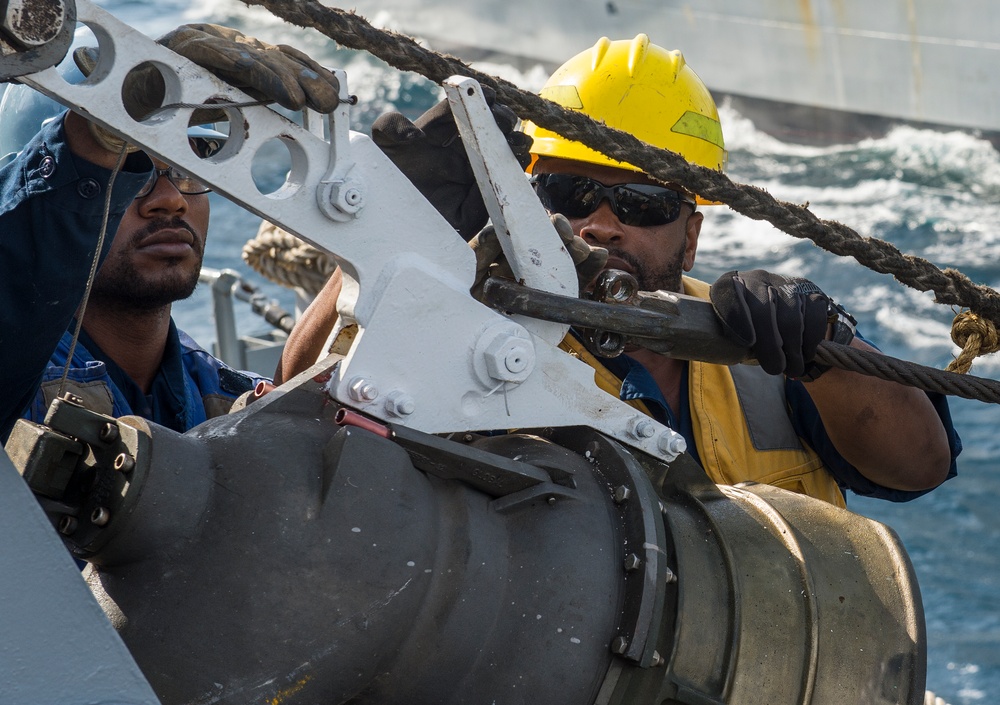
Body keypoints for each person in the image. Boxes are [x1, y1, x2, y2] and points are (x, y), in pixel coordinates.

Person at [278, 35, 960, 508]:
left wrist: (823, 345)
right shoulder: (468, 331)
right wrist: (402, 244)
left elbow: (919, 465)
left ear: (691, 236)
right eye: (570, 195)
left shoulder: (764, 341)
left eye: (641, 203)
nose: (601, 223)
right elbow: (296, 410)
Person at [0, 24, 342, 439]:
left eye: (186, 169)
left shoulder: (225, 393)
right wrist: (100, 127)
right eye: (131, 169)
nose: (171, 199)